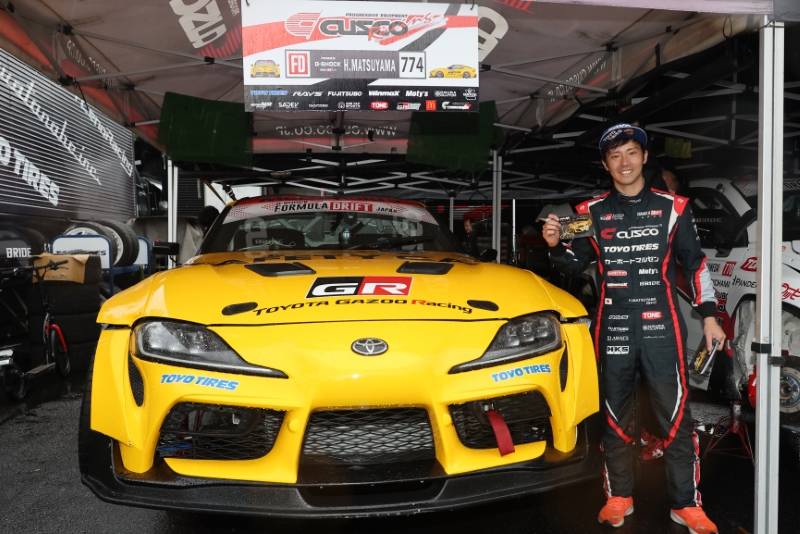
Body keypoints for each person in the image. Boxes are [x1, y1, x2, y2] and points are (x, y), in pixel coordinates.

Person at [542, 123, 725, 533]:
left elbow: (695, 265)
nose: (624, 162)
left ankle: (685, 504)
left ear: (643, 157)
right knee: (614, 416)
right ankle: (619, 497)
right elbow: (572, 263)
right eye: (615, 155)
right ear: (606, 164)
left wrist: (710, 317)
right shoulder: (590, 212)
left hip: (663, 327)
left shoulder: (674, 207)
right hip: (614, 326)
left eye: (631, 152)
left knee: (675, 416)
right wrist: (555, 245)